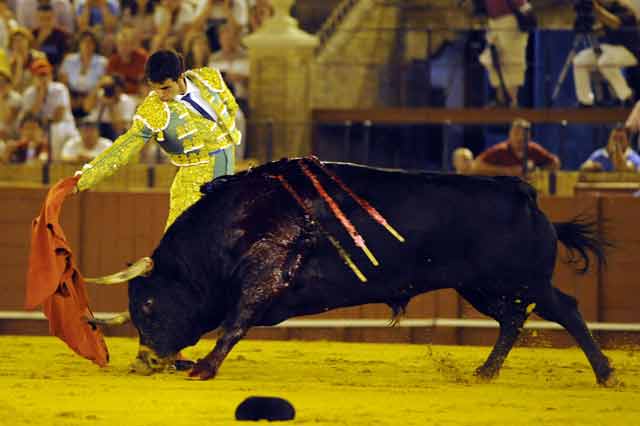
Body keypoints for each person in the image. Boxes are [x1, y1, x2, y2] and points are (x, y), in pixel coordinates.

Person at [73, 49, 242, 228]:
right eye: (155, 88)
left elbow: (230, 107)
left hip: (228, 173)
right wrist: (85, 178)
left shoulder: (209, 78)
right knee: (179, 242)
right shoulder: (153, 111)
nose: (161, 95)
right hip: (194, 182)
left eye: (165, 88)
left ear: (180, 77)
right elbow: (123, 148)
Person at [572, 0, 640, 107]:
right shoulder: (599, 10)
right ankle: (586, 101)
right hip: (606, 49)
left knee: (605, 61)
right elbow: (599, 30)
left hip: (628, 51)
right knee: (579, 61)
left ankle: (627, 96)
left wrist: (596, 9)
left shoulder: (624, 9)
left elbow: (616, 23)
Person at [478, 0, 536, 107]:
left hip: (510, 21)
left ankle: (511, 101)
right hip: (493, 21)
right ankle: (502, 98)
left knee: (511, 62)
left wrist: (525, 8)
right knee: (490, 58)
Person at [20, 57, 78, 161]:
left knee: (54, 130)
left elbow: (58, 116)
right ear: (34, 77)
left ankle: (55, 165)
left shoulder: (59, 89)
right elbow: (29, 118)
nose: (43, 78)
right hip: (40, 128)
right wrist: (40, 96)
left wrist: (41, 125)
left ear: (51, 75)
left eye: (45, 75)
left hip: (63, 125)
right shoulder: (29, 93)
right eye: (40, 75)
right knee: (30, 131)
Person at [473, 118, 560, 177]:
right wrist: (506, 171)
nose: (520, 138)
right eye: (516, 134)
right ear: (510, 134)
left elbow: (555, 163)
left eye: (523, 135)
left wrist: (537, 171)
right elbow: (476, 166)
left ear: (529, 136)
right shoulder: (500, 150)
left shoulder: (533, 149)